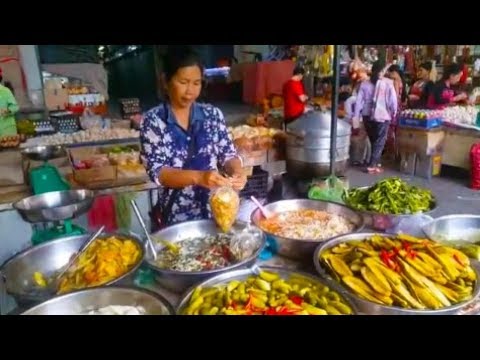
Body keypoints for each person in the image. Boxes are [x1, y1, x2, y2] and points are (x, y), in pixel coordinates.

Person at [140, 47, 247, 228]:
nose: (190, 91)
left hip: (217, 213)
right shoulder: (153, 121)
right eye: (183, 82)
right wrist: (199, 177)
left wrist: (238, 171)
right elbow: (159, 172)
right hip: (176, 219)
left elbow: (228, 154)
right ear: (166, 81)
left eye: (196, 83)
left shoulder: (212, 115)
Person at [353, 60, 398, 174]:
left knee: (374, 139)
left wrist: (357, 116)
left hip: (367, 115)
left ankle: (375, 162)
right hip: (382, 115)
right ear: (383, 71)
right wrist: (394, 112)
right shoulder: (388, 83)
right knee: (380, 140)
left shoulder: (364, 84)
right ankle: (372, 165)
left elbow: (359, 102)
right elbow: (393, 101)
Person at [0, 67, 19, 137]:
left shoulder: (5, 91)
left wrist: (7, 111)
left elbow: (15, 107)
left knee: (10, 147)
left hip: (7, 129)